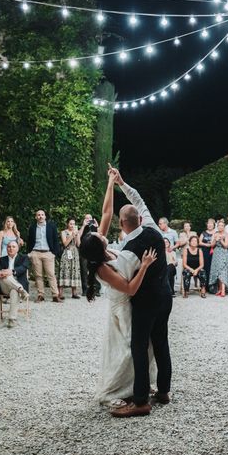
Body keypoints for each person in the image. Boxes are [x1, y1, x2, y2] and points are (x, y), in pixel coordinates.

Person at [108, 166, 173, 418]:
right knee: (161, 342)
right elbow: (138, 200)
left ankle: (141, 400)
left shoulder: (128, 250)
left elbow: (122, 279)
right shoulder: (153, 229)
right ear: (139, 219)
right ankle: (165, 391)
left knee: (138, 346)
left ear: (122, 224)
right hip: (165, 296)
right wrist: (122, 182)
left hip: (146, 301)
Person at [27, 209, 62, 303]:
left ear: (45, 216)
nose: (40, 216)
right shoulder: (33, 227)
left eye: (42, 214)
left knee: (51, 275)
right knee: (38, 276)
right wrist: (30, 253)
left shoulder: (51, 226)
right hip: (36, 253)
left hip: (48, 253)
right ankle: (40, 295)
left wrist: (54, 253)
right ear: (36, 217)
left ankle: (55, 295)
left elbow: (56, 241)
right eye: (38, 215)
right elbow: (29, 241)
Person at [0, 240, 30, 328]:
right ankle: (21, 290)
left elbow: (23, 268)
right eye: (9, 247)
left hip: (17, 283)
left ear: (17, 248)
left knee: (14, 291)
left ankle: (12, 319)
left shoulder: (24, 257)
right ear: (6, 249)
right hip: (4, 286)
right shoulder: (2, 259)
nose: (11, 248)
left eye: (13, 246)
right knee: (3, 274)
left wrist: (12, 271)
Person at [76, 214, 100, 296]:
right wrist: (83, 226)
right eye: (86, 218)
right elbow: (78, 236)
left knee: (95, 270)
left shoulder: (95, 227)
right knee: (84, 270)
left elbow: (101, 235)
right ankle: (85, 290)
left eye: (90, 218)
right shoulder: (82, 228)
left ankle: (96, 290)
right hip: (84, 251)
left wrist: (97, 226)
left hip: (94, 251)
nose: (88, 220)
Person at [59, 218, 82, 299]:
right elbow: (65, 243)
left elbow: (78, 244)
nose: (72, 225)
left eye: (73, 224)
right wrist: (72, 235)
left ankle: (74, 293)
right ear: (67, 224)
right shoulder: (63, 232)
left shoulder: (76, 232)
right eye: (71, 223)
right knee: (64, 270)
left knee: (74, 270)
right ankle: (60, 293)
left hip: (75, 253)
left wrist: (77, 235)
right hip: (67, 252)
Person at [209, 220, 228, 296]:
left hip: (223, 253)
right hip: (216, 254)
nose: (220, 227)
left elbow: (226, 246)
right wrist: (215, 239)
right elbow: (211, 245)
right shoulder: (215, 234)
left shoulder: (226, 234)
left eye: (222, 225)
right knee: (217, 271)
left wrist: (221, 240)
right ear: (217, 227)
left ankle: (224, 290)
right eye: (219, 226)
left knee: (223, 270)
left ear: (224, 227)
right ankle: (220, 289)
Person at [199, 218, 216, 290]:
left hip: (214, 252)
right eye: (208, 223)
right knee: (205, 268)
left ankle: (212, 285)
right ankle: (204, 286)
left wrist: (211, 245)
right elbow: (199, 242)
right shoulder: (203, 233)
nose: (209, 225)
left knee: (212, 268)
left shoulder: (216, 233)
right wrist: (207, 245)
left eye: (211, 223)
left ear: (214, 225)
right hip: (205, 252)